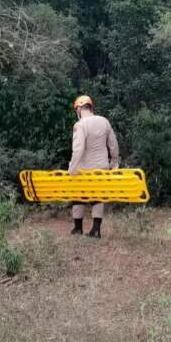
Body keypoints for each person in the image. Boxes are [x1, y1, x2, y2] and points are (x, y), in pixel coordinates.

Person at [68, 95, 119, 238]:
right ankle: (96, 229)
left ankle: (78, 228)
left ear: (78, 109)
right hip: (102, 167)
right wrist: (114, 162)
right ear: (91, 107)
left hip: (83, 170)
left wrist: (72, 169)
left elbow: (78, 150)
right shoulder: (104, 121)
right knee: (97, 196)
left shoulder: (79, 125)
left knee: (77, 195)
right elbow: (113, 145)